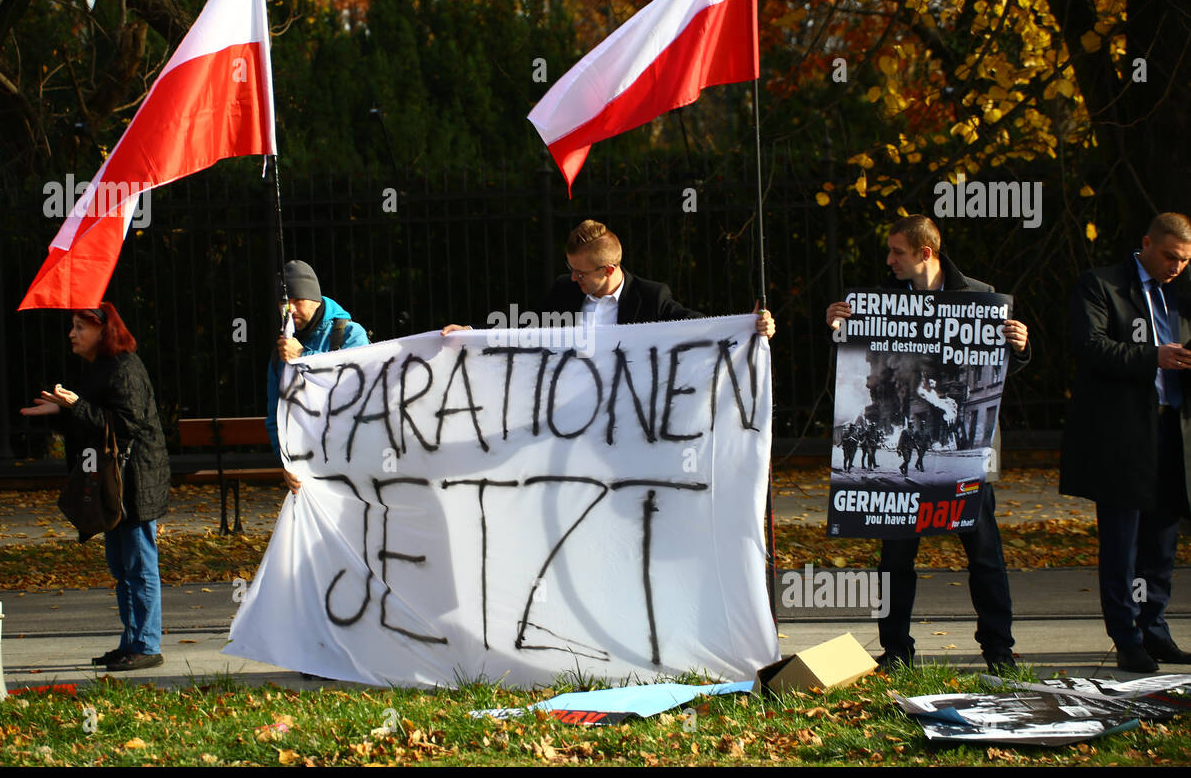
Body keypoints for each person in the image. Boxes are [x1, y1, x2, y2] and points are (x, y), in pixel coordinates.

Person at [825, 215, 1030, 672]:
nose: (889, 260)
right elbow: (856, 358)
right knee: (896, 555)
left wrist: (1017, 345)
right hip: (912, 456)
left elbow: (993, 372)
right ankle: (896, 650)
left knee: (984, 552)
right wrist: (837, 327)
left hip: (971, 461)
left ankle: (999, 648)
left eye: (897, 251)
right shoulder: (879, 303)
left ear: (925, 253)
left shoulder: (979, 297)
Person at [1060, 211, 1191, 672]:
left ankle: (1155, 630)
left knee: (1162, 541)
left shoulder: (1182, 294)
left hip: (1173, 430)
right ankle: (1127, 635)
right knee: (1122, 542)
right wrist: (1152, 356)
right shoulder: (1102, 285)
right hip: (1123, 434)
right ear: (1147, 244)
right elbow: (1090, 347)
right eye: (1171, 257)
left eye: (1185, 260)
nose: (1177, 267)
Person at [21, 303, 169, 672]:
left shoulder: (124, 367)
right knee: (121, 567)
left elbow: (126, 424)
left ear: (104, 332)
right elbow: (95, 422)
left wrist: (76, 405)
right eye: (72, 326)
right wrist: (65, 411)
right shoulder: (102, 368)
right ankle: (131, 641)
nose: (72, 334)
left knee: (138, 566)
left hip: (134, 481)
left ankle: (147, 644)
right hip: (114, 482)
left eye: (79, 327)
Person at [442, 220, 776, 335]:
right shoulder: (563, 291)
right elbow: (524, 329)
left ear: (610, 269)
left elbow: (700, 327)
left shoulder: (651, 297)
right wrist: (471, 333)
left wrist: (750, 327)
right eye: (570, 268)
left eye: (581, 272)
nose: (574, 278)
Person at [267, 260, 369, 494]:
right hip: (306, 475)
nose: (290, 310)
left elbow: (359, 390)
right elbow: (276, 415)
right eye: (284, 302)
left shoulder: (350, 334)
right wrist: (286, 460)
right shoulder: (279, 352)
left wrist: (304, 356)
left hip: (353, 464)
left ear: (315, 299)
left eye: (297, 301)